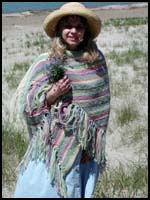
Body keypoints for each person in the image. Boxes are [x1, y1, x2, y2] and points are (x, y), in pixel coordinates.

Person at [13, 2, 110, 198]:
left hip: (83, 145)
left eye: (79, 26)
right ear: (59, 30)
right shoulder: (47, 60)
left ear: (86, 31)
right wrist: (52, 94)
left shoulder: (96, 60)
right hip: (53, 144)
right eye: (68, 26)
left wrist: (90, 146)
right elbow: (29, 105)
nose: (73, 31)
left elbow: (102, 104)